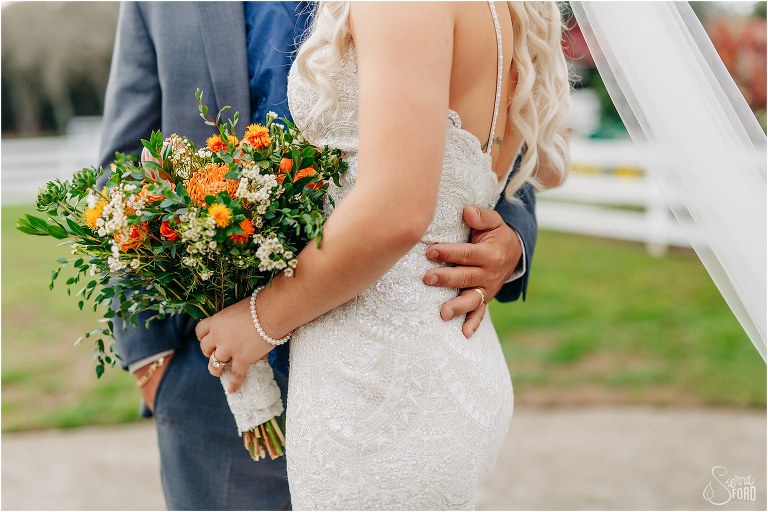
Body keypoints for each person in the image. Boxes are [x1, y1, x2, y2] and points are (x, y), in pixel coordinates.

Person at [98, 1, 539, 509]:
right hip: (217, 375)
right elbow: (125, 166)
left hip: (380, 363)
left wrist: (510, 238)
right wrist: (149, 361)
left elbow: (487, 133)